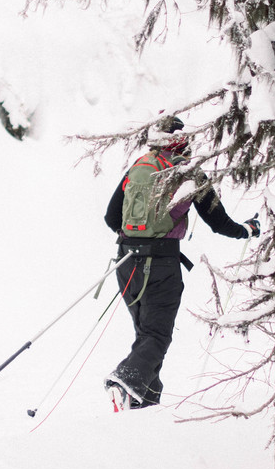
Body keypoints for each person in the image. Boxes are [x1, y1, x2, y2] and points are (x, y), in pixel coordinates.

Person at [103, 114, 259, 411]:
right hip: (161, 263)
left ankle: (144, 402)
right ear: (184, 140)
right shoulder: (188, 172)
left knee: (147, 335)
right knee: (157, 335)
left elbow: (112, 218)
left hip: (125, 261)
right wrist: (246, 230)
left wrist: (138, 237)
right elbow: (218, 222)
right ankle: (126, 381)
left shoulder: (138, 167)